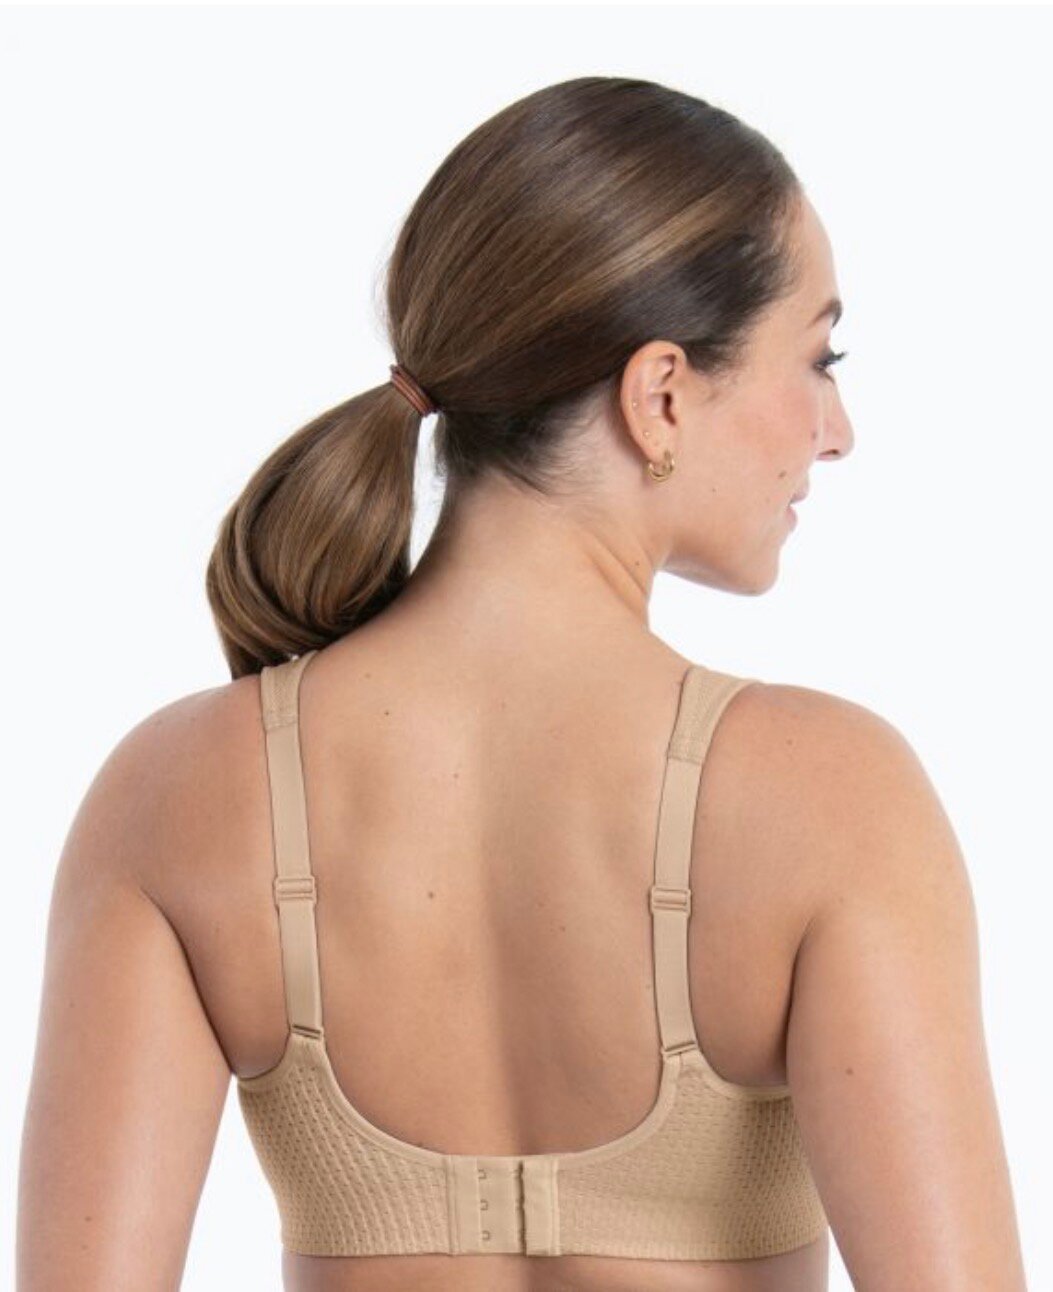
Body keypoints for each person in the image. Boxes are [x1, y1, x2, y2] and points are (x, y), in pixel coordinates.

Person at [17, 76, 1026, 1292]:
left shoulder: (174, 792)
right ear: (660, 392)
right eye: (820, 358)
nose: (838, 428)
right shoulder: (833, 795)